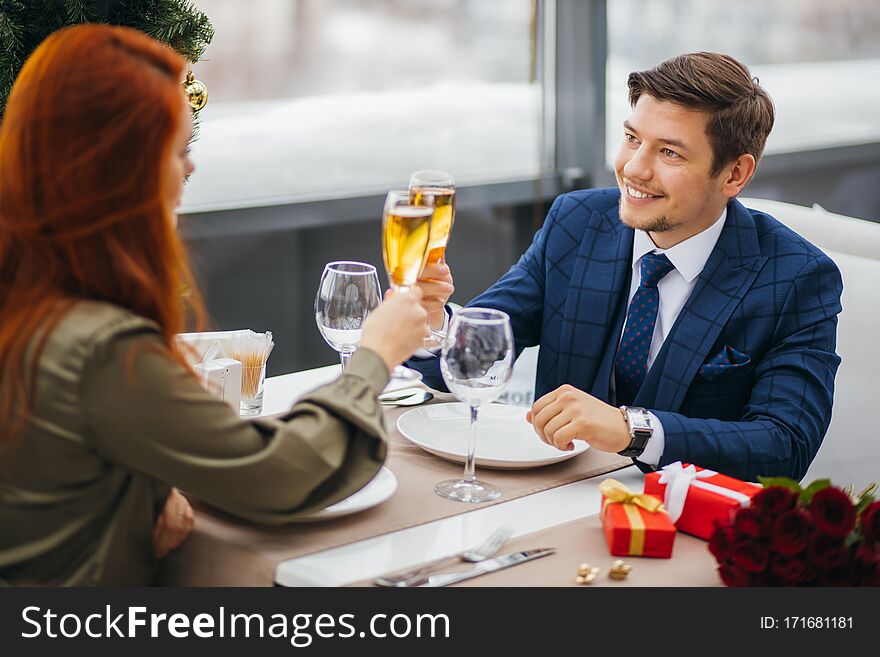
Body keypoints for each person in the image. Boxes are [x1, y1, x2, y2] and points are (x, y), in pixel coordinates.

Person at [0, 24, 428, 586]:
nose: (191, 170)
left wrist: (140, 498)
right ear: (116, 169)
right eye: (178, 150)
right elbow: (280, 474)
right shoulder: (100, 348)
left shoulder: (28, 297)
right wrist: (376, 355)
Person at [408, 52, 843, 483]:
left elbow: (785, 445)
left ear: (734, 175)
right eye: (633, 139)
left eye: (669, 152)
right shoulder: (576, 222)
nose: (633, 169)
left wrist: (631, 429)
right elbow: (481, 352)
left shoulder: (797, 278)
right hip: (543, 499)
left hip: (680, 524)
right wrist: (434, 325)